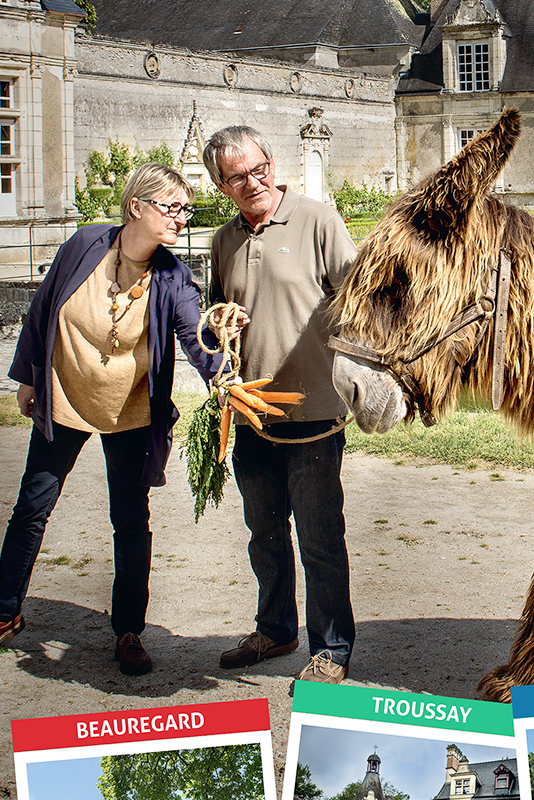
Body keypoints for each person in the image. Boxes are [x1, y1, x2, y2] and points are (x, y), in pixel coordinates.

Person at [0, 163, 221, 675]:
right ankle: (2, 616)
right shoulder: (82, 246)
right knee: (32, 507)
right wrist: (28, 377)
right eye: (171, 207)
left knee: (130, 519)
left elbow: (196, 339)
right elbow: (42, 309)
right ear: (136, 206)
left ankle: (129, 631)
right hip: (66, 397)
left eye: (185, 209)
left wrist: (224, 375)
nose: (181, 218)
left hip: (131, 409)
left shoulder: (174, 277)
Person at [202, 126, 358, 685]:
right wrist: (220, 324)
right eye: (237, 177)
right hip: (251, 414)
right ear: (221, 186)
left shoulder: (318, 220)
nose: (252, 182)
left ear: (272, 162)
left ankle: (332, 649)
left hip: (314, 412)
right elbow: (213, 315)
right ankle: (275, 629)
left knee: (320, 539)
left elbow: (361, 301)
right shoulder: (223, 240)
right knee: (264, 534)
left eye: (258, 169)